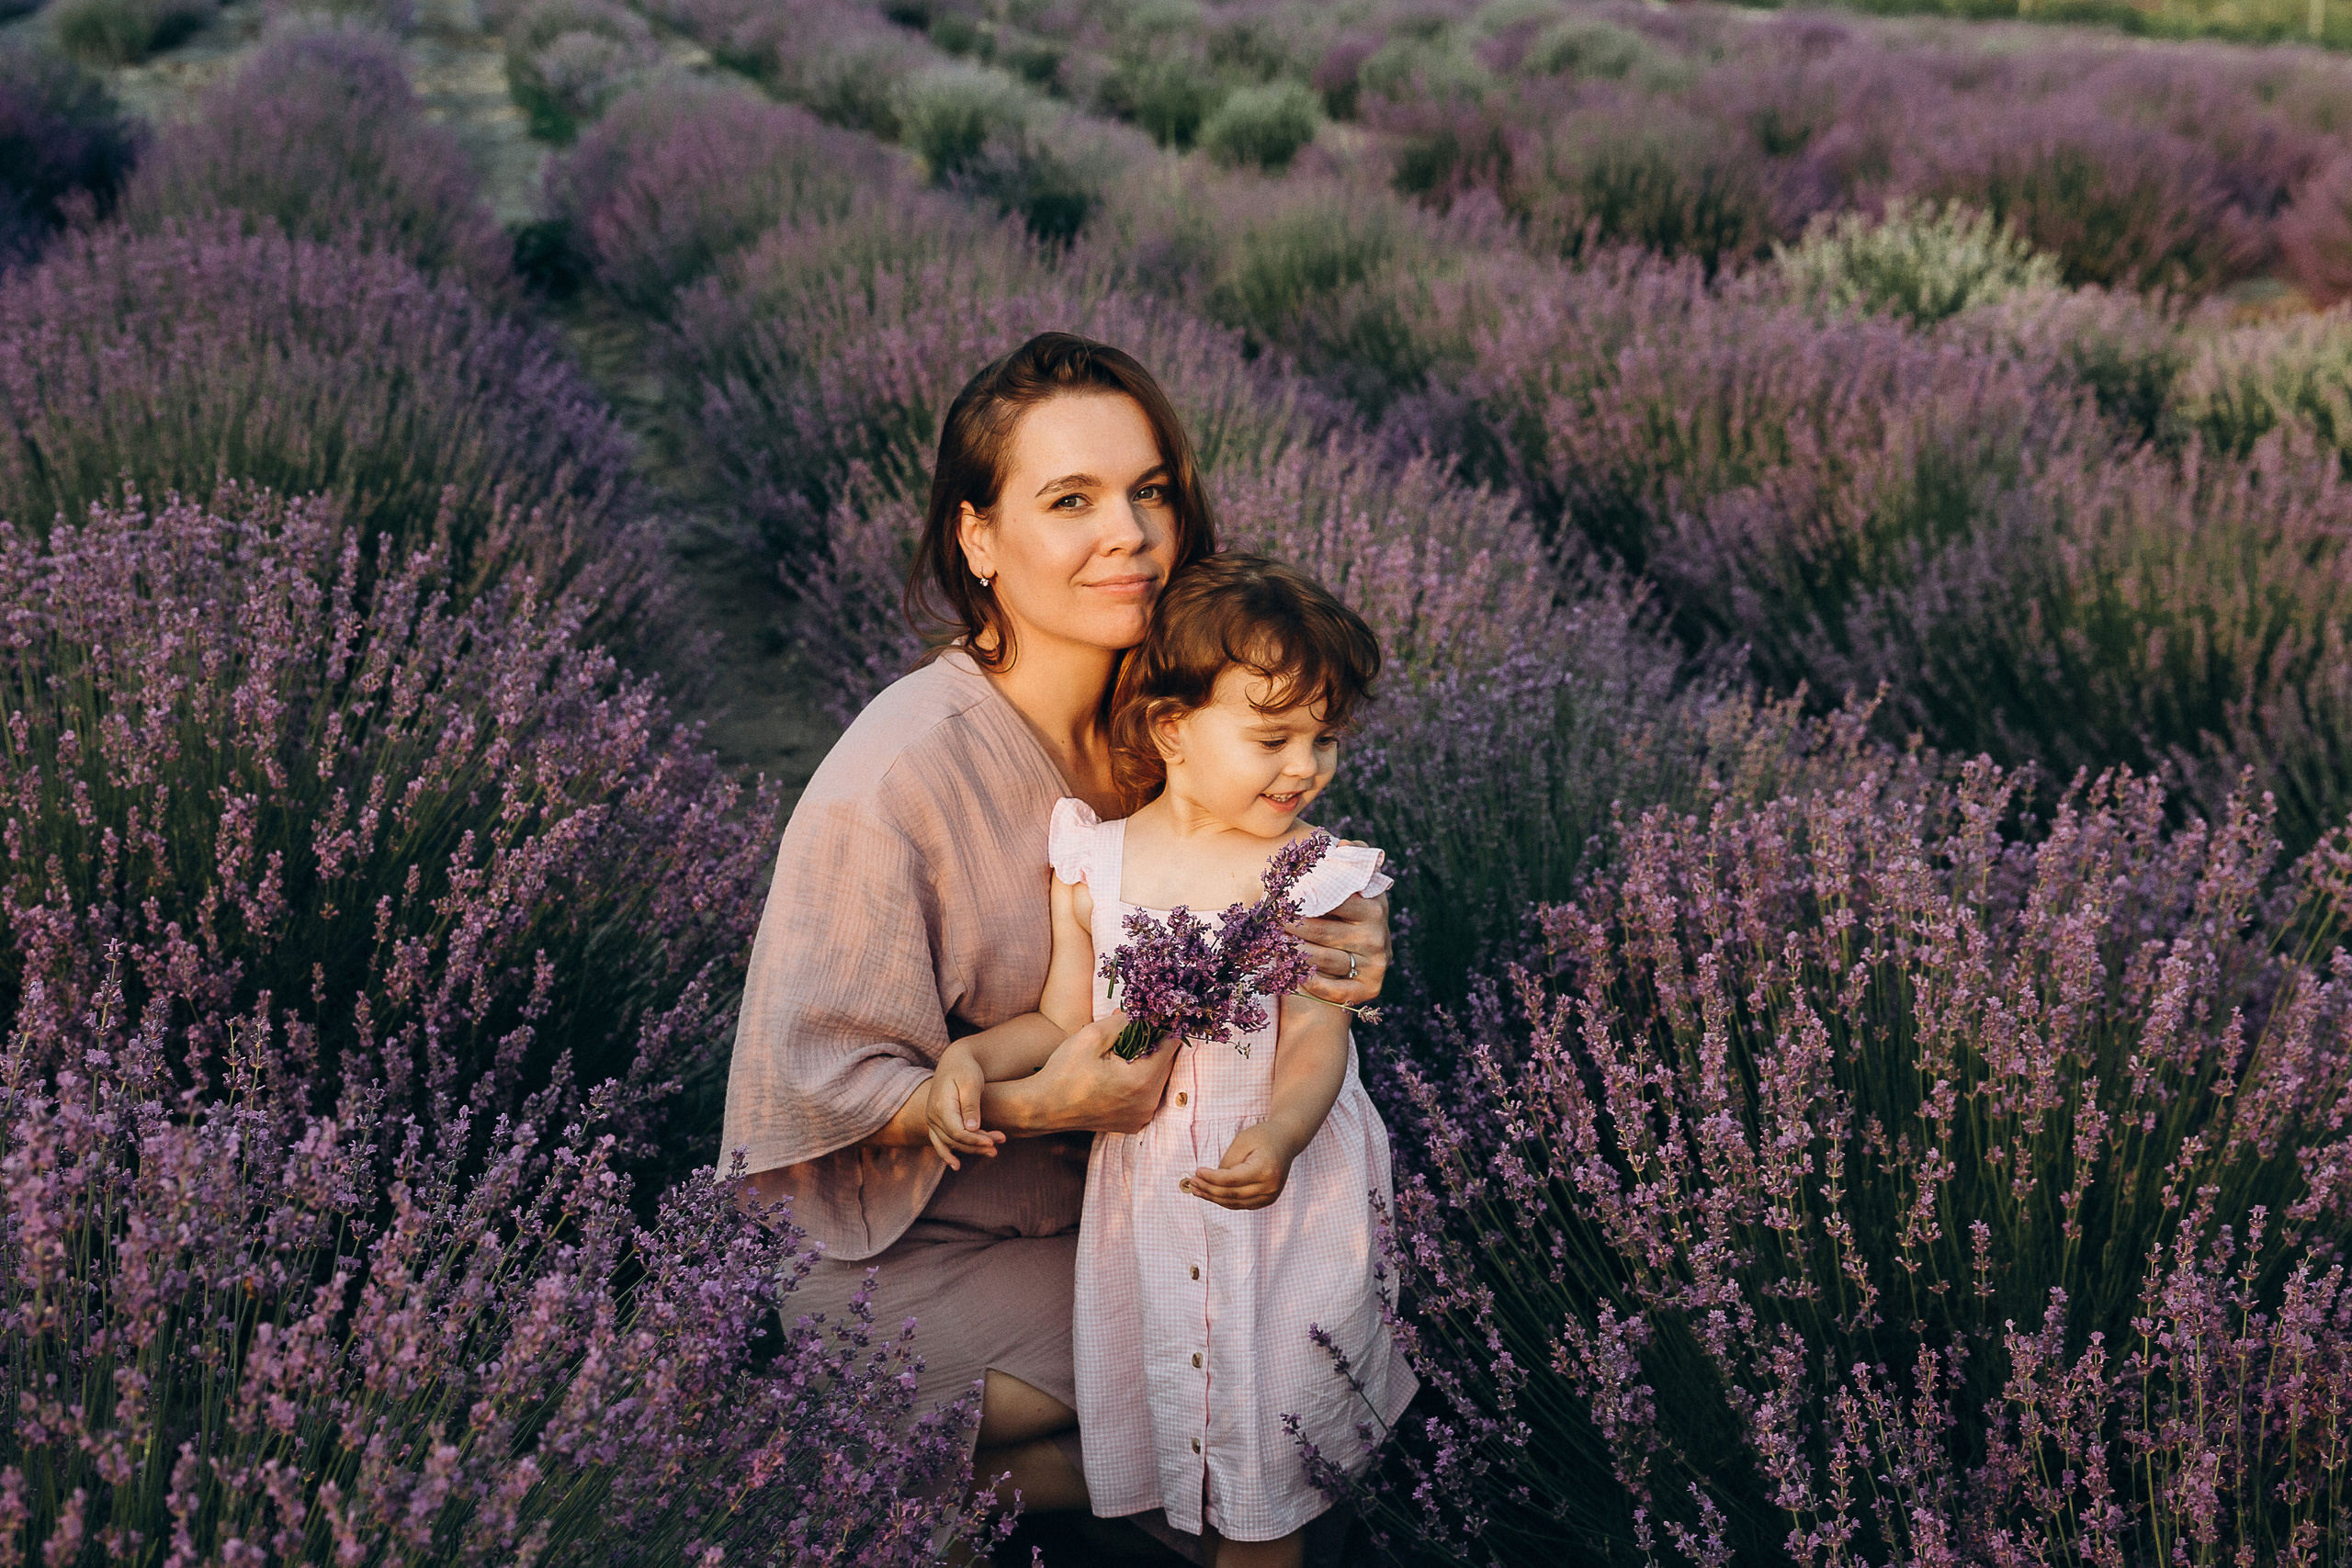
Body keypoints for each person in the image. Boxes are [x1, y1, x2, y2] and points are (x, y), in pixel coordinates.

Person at [718, 332, 1393, 1548]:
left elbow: (1277, 861)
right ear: (977, 538)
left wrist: (1344, 934)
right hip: (922, 1257)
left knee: (1277, 1371)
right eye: (1070, 499)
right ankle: (850, 1451)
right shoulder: (896, 776)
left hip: (1130, 1206)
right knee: (1252, 1397)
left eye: (1150, 490)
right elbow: (811, 1089)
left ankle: (969, 1470)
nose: (1128, 530)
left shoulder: (1177, 708)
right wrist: (1029, 1099)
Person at [926, 555, 1419, 1568]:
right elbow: (1063, 1017)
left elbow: (1318, 1034)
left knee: (1269, 1461)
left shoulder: (1312, 875)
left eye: (1325, 739)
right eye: (1273, 737)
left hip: (1285, 1199)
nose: (1307, 768)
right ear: (1171, 728)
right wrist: (969, 1060)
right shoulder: (1097, 861)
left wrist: (1278, 1136)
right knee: (1176, 1402)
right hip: (1155, 1200)